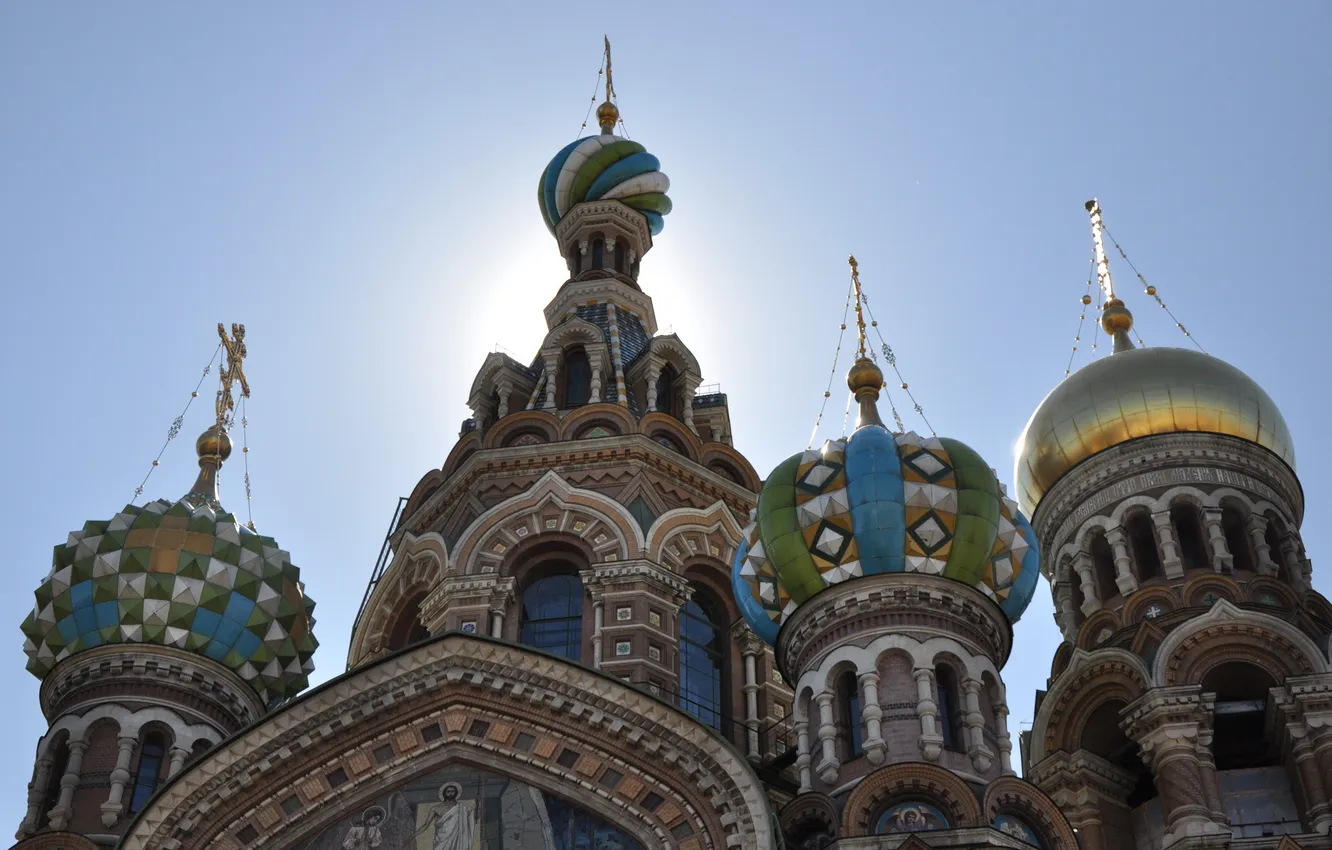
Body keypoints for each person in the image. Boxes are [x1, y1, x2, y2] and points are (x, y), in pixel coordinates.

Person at [415, 782, 474, 850]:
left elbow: (473, 818)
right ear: (444, 793)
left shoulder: (463, 808)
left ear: (456, 793)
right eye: (448, 791)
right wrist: (413, 836)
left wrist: (479, 806)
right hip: (441, 841)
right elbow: (426, 825)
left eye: (453, 791)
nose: (451, 793)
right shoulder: (436, 808)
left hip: (457, 841)